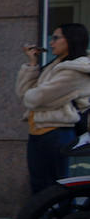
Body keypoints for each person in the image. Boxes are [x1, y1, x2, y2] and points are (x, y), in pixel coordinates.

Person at [17, 22, 90, 195]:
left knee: (61, 188)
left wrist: (33, 95)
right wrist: (33, 64)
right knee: (39, 187)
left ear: (71, 40)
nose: (51, 42)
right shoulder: (56, 65)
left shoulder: (76, 70)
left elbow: (37, 98)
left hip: (59, 132)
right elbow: (23, 94)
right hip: (38, 132)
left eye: (56, 38)